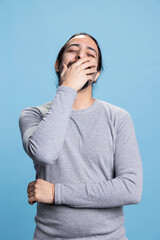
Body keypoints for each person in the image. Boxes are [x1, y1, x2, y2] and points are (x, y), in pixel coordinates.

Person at [19, 32, 143, 240]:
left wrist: (56, 193)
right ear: (59, 65)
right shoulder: (33, 115)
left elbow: (130, 189)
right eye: (73, 51)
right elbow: (45, 153)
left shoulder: (118, 118)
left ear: (96, 74)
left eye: (90, 55)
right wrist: (67, 87)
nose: (80, 57)